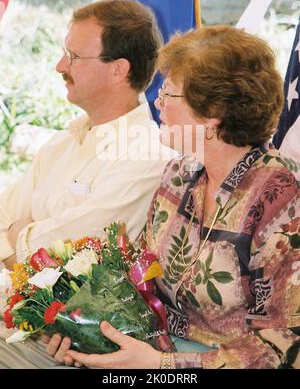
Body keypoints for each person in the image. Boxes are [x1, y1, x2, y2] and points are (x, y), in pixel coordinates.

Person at [51, 25, 299, 369]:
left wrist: (163, 365)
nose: (157, 103)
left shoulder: (280, 195)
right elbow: (141, 281)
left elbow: (285, 346)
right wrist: (89, 328)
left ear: (212, 113)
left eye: (168, 93)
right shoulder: (178, 175)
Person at [0, 0, 175, 368]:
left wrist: (21, 237)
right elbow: (8, 224)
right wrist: (23, 240)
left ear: (118, 70)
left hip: (72, 347)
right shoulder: (61, 143)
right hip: (22, 322)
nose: (59, 66)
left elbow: (68, 263)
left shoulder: (147, 155)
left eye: (74, 57)